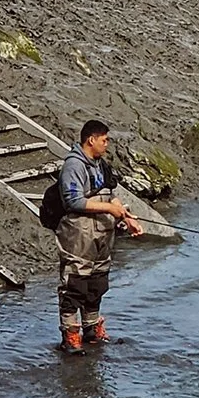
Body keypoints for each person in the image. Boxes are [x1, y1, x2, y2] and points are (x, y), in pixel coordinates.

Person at [56, 118, 143, 353]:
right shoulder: (73, 166)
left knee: (97, 282)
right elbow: (73, 200)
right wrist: (109, 209)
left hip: (103, 234)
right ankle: (70, 335)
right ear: (91, 140)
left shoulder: (101, 164)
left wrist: (126, 216)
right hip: (78, 233)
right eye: (104, 140)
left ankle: (92, 329)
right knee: (75, 283)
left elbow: (110, 194)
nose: (107, 145)